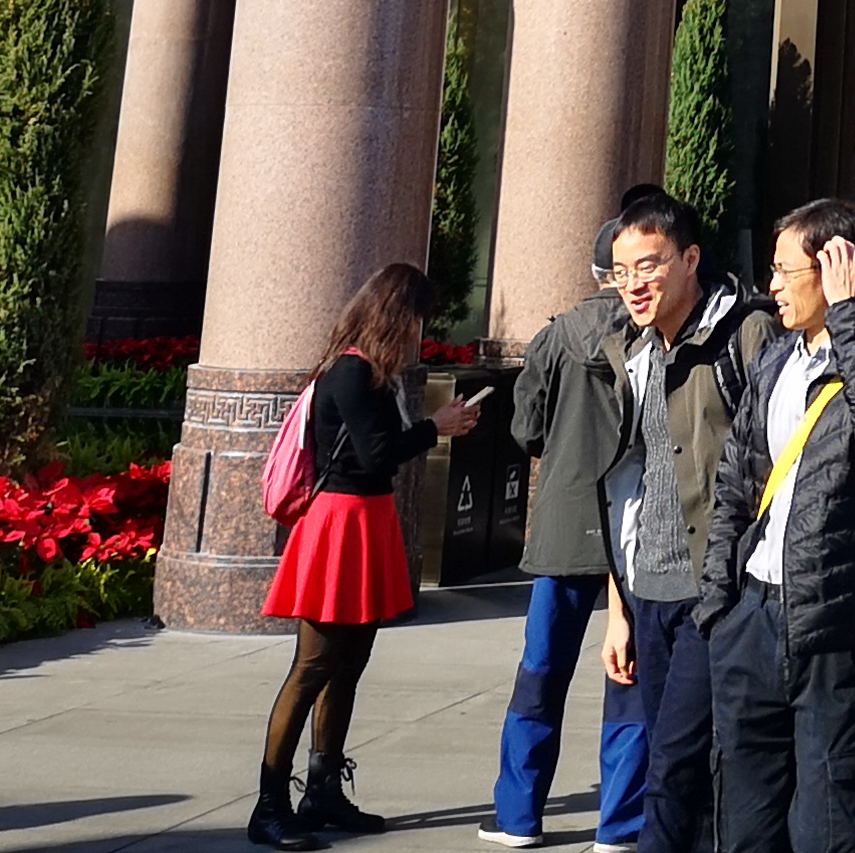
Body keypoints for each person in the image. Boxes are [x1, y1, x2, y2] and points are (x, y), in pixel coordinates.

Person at [696, 201, 855, 853]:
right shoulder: (775, 361)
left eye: (786, 272)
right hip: (753, 618)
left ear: (833, 269)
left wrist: (850, 311)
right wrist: (719, 602)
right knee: (745, 820)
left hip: (834, 623)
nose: (774, 287)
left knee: (830, 822)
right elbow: (735, 483)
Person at [253, 262, 482, 846]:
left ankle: (323, 791)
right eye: (415, 319)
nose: (418, 332)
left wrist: (434, 427)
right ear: (394, 316)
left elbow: (377, 454)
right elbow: (377, 453)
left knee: (349, 664)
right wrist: (436, 426)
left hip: (365, 518)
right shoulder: (353, 372)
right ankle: (269, 806)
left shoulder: (370, 372)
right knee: (312, 667)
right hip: (340, 522)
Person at [590, 196, 771, 853]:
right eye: (620, 271)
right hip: (649, 590)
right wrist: (618, 609)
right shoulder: (630, 351)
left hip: (714, 588)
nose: (633, 284)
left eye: (649, 265)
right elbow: (626, 486)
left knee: (673, 763)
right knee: (679, 766)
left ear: (690, 258)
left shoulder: (745, 334)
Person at [491, 220, 642, 853]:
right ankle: (621, 824)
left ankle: (518, 817)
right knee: (629, 679)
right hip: (634, 529)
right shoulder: (653, 333)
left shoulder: (555, 337)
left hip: (564, 520)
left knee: (541, 672)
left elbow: (526, 430)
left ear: (593, 273)